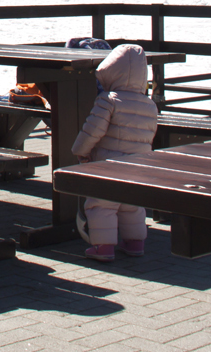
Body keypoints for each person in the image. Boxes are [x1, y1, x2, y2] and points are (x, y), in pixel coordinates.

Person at [71, 44, 159, 262]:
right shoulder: (149, 105)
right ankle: (135, 242)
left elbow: (92, 130)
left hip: (109, 165)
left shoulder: (108, 101)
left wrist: (80, 150)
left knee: (102, 204)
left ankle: (103, 247)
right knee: (132, 203)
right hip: (139, 165)